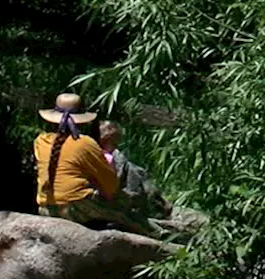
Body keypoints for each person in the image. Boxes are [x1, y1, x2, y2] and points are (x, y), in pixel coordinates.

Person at [34, 93, 158, 236]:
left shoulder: (40, 141)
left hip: (45, 207)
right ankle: (159, 236)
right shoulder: (85, 143)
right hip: (76, 206)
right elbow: (111, 185)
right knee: (127, 213)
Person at [98, 119, 173, 221]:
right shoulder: (107, 156)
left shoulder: (94, 151)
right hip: (116, 195)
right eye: (115, 143)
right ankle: (160, 207)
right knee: (137, 174)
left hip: (117, 190)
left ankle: (160, 205)